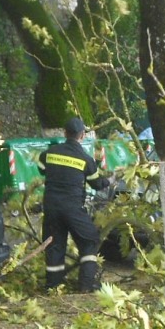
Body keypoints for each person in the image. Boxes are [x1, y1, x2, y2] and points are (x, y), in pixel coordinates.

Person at [39, 117, 113, 292]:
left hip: (51, 207)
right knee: (90, 240)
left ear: (65, 133)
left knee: (54, 246)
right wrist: (110, 180)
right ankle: (86, 285)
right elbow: (97, 184)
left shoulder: (49, 153)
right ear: (82, 136)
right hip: (72, 208)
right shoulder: (85, 159)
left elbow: (42, 170)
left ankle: (53, 287)